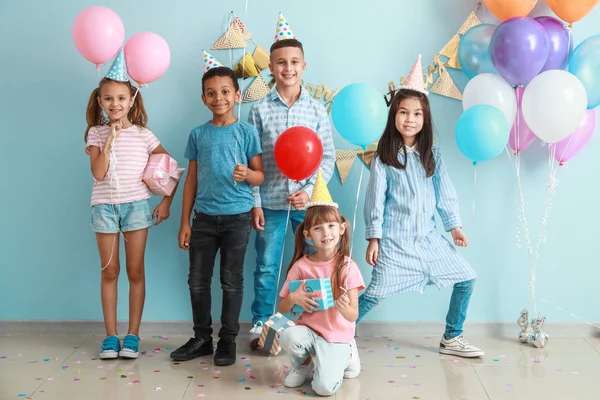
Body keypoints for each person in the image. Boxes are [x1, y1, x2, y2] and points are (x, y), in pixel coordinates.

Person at [359, 55, 484, 358]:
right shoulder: (384, 157)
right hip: (396, 243)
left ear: (425, 119)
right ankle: (335, 331)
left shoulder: (432, 155)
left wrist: (454, 226)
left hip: (429, 240)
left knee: (466, 278)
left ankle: (452, 337)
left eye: (417, 114)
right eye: (403, 112)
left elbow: (445, 192)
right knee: (373, 295)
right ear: (394, 116)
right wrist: (374, 238)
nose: (410, 119)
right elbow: (374, 200)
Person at [247, 14, 335, 349]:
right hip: (269, 203)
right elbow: (253, 161)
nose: (288, 68)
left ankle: (310, 325)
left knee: (312, 265)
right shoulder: (258, 111)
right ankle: (260, 325)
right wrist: (255, 202)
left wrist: (309, 191)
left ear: (304, 65)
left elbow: (325, 158)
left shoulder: (316, 111)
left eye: (294, 62)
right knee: (268, 266)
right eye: (281, 62)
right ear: (271, 66)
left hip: (306, 205)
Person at [169, 63, 263, 366]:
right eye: (211, 93)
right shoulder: (198, 135)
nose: (218, 98)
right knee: (197, 280)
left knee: (231, 281)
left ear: (237, 95)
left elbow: (260, 176)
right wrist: (185, 221)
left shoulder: (247, 132)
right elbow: (191, 179)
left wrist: (247, 173)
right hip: (204, 219)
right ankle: (202, 338)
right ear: (203, 98)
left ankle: (228, 339)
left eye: (224, 92)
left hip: (237, 218)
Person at [85, 51, 177, 359]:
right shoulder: (95, 134)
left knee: (135, 271)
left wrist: (165, 202)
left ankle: (133, 335)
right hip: (104, 208)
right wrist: (109, 140)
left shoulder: (144, 135)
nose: (115, 104)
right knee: (110, 271)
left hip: (137, 207)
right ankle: (111, 336)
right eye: (108, 99)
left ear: (132, 100)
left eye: (121, 98)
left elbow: (171, 168)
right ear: (100, 102)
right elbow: (98, 172)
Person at [278, 171, 364, 396]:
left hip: (336, 334)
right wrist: (293, 298)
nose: (326, 233)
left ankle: (347, 353)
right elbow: (282, 308)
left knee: (323, 389)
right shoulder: (301, 266)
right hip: (308, 330)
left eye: (331, 226)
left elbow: (353, 314)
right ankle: (303, 364)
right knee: (286, 334)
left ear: (341, 228)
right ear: (308, 235)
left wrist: (346, 309)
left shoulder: (348, 267)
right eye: (318, 228)